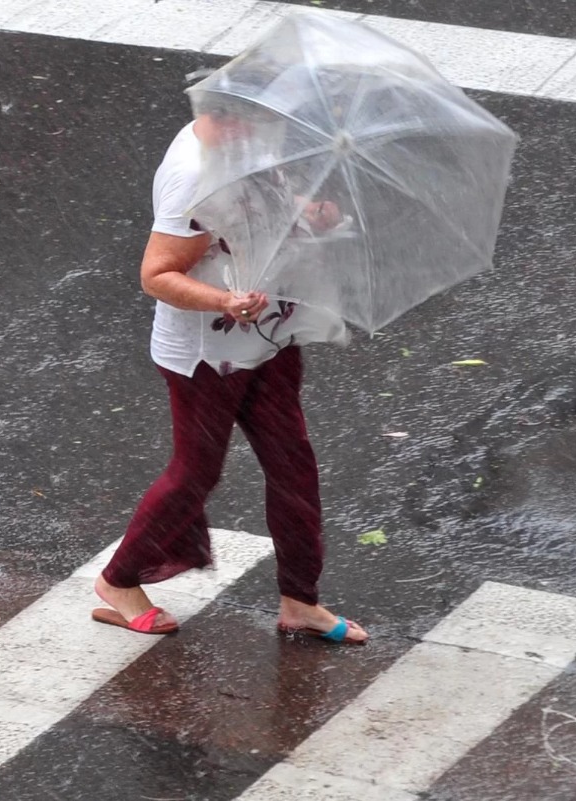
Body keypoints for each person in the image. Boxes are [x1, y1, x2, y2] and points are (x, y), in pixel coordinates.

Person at [90, 95, 369, 644]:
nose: (263, 133)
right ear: (220, 115)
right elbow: (156, 275)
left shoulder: (248, 141)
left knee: (294, 465)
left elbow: (264, 204)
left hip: (268, 336)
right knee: (196, 472)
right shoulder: (193, 176)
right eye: (252, 122)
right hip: (206, 355)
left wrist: (309, 213)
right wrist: (224, 301)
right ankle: (118, 581)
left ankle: (300, 599)